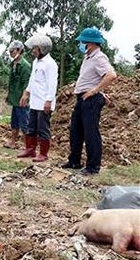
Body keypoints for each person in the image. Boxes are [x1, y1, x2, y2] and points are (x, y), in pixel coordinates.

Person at [61, 27, 117, 175]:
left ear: (90, 43)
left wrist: (95, 91)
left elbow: (111, 75)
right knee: (76, 131)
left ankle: (93, 167)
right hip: (82, 99)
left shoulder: (99, 57)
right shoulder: (88, 57)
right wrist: (99, 91)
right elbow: (95, 78)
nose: (80, 44)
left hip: (90, 100)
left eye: (82, 42)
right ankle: (74, 161)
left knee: (91, 133)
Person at [18, 34, 58, 162]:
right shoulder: (36, 62)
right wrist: (26, 93)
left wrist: (48, 101)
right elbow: (32, 80)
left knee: (43, 128)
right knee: (31, 126)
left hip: (44, 102)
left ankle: (43, 153)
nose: (33, 51)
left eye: (35, 48)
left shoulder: (50, 64)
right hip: (35, 101)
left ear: (43, 49)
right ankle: (30, 149)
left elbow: (52, 84)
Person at [4, 40, 32, 149]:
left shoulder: (25, 66)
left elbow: (27, 82)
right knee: (14, 122)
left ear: (20, 50)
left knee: (25, 123)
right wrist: (8, 94)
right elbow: (11, 82)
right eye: (10, 51)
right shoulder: (13, 64)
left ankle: (27, 146)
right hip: (14, 98)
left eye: (12, 51)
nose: (11, 53)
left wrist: (25, 96)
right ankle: (12, 142)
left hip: (22, 98)